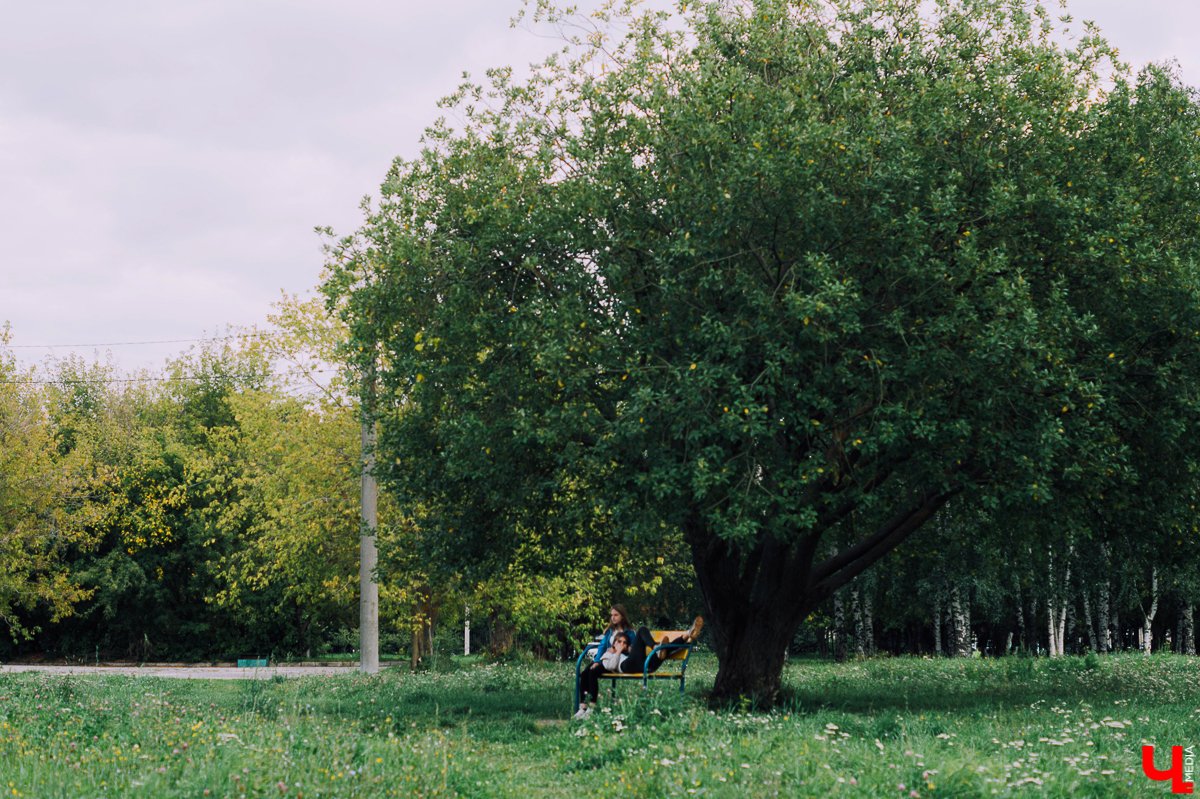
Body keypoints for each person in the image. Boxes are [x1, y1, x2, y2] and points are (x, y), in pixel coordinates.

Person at [574, 608, 704, 720]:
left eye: (624, 643)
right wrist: (617, 652)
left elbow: (631, 648)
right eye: (618, 641)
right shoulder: (609, 653)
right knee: (643, 630)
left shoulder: (625, 650)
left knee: (666, 649)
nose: (621, 644)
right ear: (613, 644)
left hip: (647, 666)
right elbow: (612, 665)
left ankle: (687, 634)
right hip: (627, 666)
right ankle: (656, 648)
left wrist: (627, 650)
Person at [575, 604, 634, 719]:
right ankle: (583, 707)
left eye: (616, 615)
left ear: (622, 616)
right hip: (606, 659)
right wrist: (597, 661)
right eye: (611, 615)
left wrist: (617, 650)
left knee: (593, 673)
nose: (613, 618)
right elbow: (602, 646)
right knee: (585, 673)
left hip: (618, 661)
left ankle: (591, 709)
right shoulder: (610, 631)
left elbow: (632, 651)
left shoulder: (630, 632)